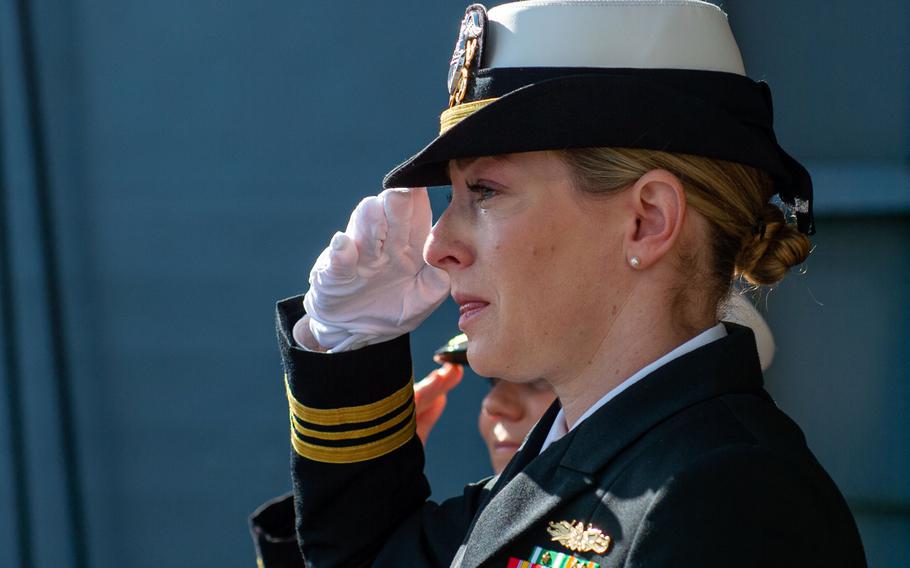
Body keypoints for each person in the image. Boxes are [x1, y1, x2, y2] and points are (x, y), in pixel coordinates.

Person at [250, 2, 867, 567]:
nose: (438, 246)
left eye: (484, 192)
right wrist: (350, 349)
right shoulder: (583, 456)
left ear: (646, 220)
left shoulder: (734, 502)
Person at [420, 294, 777, 475]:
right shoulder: (484, 514)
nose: (495, 405)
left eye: (541, 379)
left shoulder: (709, 500)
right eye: (493, 382)